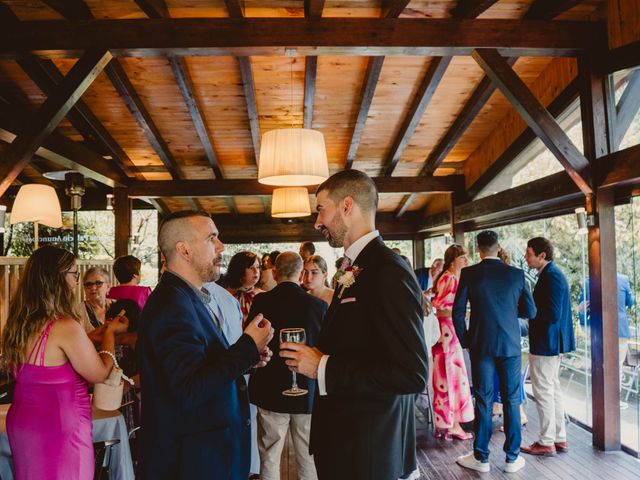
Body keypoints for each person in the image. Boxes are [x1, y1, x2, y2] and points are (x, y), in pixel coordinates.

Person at [280, 169, 429, 480]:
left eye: (321, 209)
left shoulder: (388, 270)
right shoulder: (356, 267)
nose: (317, 222)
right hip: (346, 442)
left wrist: (322, 366)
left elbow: (410, 373)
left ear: (347, 205)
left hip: (368, 450)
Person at [137, 210, 274, 479]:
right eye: (212, 238)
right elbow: (189, 388)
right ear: (184, 250)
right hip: (191, 461)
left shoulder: (186, 297)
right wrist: (247, 345)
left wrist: (248, 358)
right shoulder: (172, 305)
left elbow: (202, 365)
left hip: (205, 456)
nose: (221, 246)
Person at [2, 246, 128, 480]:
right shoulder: (65, 327)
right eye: (74, 274)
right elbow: (99, 373)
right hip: (60, 426)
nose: (76, 282)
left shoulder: (19, 324)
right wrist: (110, 333)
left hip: (24, 423)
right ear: (57, 279)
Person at [452, 230, 536, 474]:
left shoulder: (470, 273)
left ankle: (482, 457)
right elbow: (530, 312)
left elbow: (458, 312)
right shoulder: (517, 274)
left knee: (483, 399)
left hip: (481, 344)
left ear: (478, 248)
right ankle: (512, 457)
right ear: (498, 247)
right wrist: (507, 312)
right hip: (509, 345)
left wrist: (466, 339)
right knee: (511, 400)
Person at [248, 252, 327, 480]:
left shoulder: (261, 302)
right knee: (309, 457)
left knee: (270, 456)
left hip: (270, 390)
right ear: (301, 274)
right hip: (308, 391)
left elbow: (251, 341)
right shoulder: (318, 306)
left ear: (274, 272)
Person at [521, 236, 575, 457]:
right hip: (552, 342)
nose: (526, 257)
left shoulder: (551, 276)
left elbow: (552, 314)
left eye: (529, 253)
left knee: (542, 391)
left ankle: (546, 441)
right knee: (552, 390)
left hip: (546, 342)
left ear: (542, 255)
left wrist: (528, 311)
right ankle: (559, 437)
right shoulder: (552, 274)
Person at [431, 244, 474, 441]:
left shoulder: (454, 277)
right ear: (454, 259)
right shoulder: (448, 278)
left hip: (451, 331)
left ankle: (449, 423)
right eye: (463, 258)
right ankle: (452, 424)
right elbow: (439, 308)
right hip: (447, 332)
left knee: (453, 378)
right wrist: (465, 313)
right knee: (451, 378)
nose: (466, 261)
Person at [578, 273, 635, 368]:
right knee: (617, 368)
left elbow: (583, 309)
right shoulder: (623, 279)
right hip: (619, 331)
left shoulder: (589, 282)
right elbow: (630, 302)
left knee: (600, 367)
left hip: (599, 332)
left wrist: (583, 322)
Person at [226, 251, 264, 326]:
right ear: (239, 270)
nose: (256, 271)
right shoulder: (226, 296)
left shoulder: (263, 295)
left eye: (258, 267)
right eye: (250, 267)